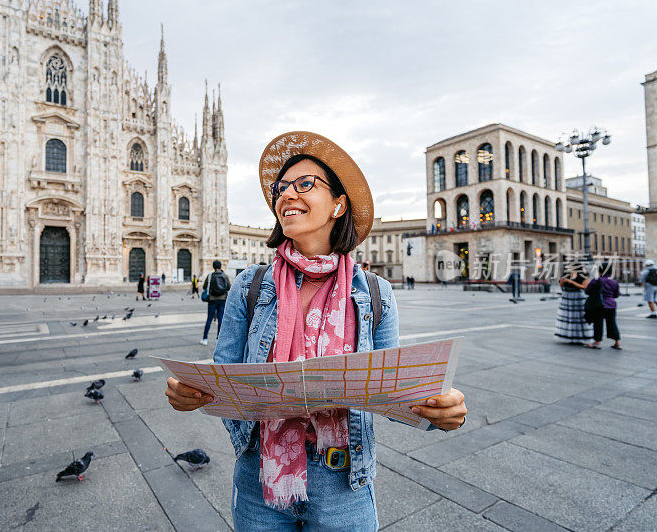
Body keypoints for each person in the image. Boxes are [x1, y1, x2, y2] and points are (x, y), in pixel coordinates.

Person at [165, 132, 467, 530]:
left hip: (343, 486)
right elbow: (224, 379)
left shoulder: (375, 293)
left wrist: (440, 410)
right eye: (282, 188)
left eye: (305, 184)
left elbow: (397, 391)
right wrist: (192, 392)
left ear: (338, 205)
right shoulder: (250, 286)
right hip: (260, 484)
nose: (288, 194)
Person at [585, 263, 621, 350]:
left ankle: (597, 342)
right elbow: (617, 294)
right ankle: (617, 342)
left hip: (599, 305)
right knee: (612, 323)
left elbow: (587, 291)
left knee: (598, 324)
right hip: (611, 305)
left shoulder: (596, 280)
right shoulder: (614, 281)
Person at [554, 262, 591, 344]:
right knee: (568, 317)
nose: (569, 268)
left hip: (578, 297)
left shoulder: (583, 275)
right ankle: (570, 336)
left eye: (571, 267)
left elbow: (585, 286)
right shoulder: (566, 274)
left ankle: (580, 337)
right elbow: (561, 285)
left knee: (578, 317)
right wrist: (563, 281)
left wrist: (571, 282)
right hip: (567, 297)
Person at [200, 260, 230, 345]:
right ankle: (218, 339)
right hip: (222, 300)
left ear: (213, 267)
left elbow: (204, 287)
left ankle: (205, 339)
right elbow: (228, 287)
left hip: (212, 300)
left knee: (209, 319)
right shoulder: (225, 276)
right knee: (220, 319)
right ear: (220, 266)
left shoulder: (210, 276)